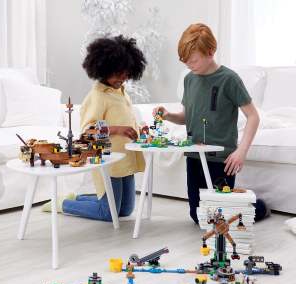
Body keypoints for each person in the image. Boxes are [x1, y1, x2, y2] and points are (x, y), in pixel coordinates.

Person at [154, 23, 269, 224]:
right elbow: (186, 117)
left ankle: (257, 207)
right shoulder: (189, 80)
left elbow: (253, 116)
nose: (189, 65)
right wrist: (168, 115)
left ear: (210, 52)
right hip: (194, 156)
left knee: (219, 218)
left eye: (193, 60)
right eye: (185, 61)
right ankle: (238, 203)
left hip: (220, 160)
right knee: (198, 216)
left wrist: (241, 151)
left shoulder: (229, 79)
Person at [43, 35, 146, 221]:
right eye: (118, 73)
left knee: (125, 210)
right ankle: (63, 204)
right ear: (104, 70)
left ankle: (77, 198)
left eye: (126, 73)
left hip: (126, 158)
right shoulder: (98, 96)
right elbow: (87, 132)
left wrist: (140, 129)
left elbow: (126, 119)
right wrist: (118, 130)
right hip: (109, 160)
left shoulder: (121, 92)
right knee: (108, 213)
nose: (123, 78)